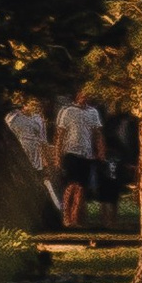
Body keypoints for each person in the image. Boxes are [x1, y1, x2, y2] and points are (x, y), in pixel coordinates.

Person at [53, 85, 103, 231]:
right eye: (83, 94)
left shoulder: (93, 112)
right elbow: (60, 135)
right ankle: (66, 217)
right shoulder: (67, 111)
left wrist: (100, 151)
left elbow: (97, 133)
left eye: (88, 95)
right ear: (78, 95)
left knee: (81, 187)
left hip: (86, 153)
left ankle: (76, 219)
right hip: (70, 152)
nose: (86, 97)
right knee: (71, 185)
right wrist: (58, 155)